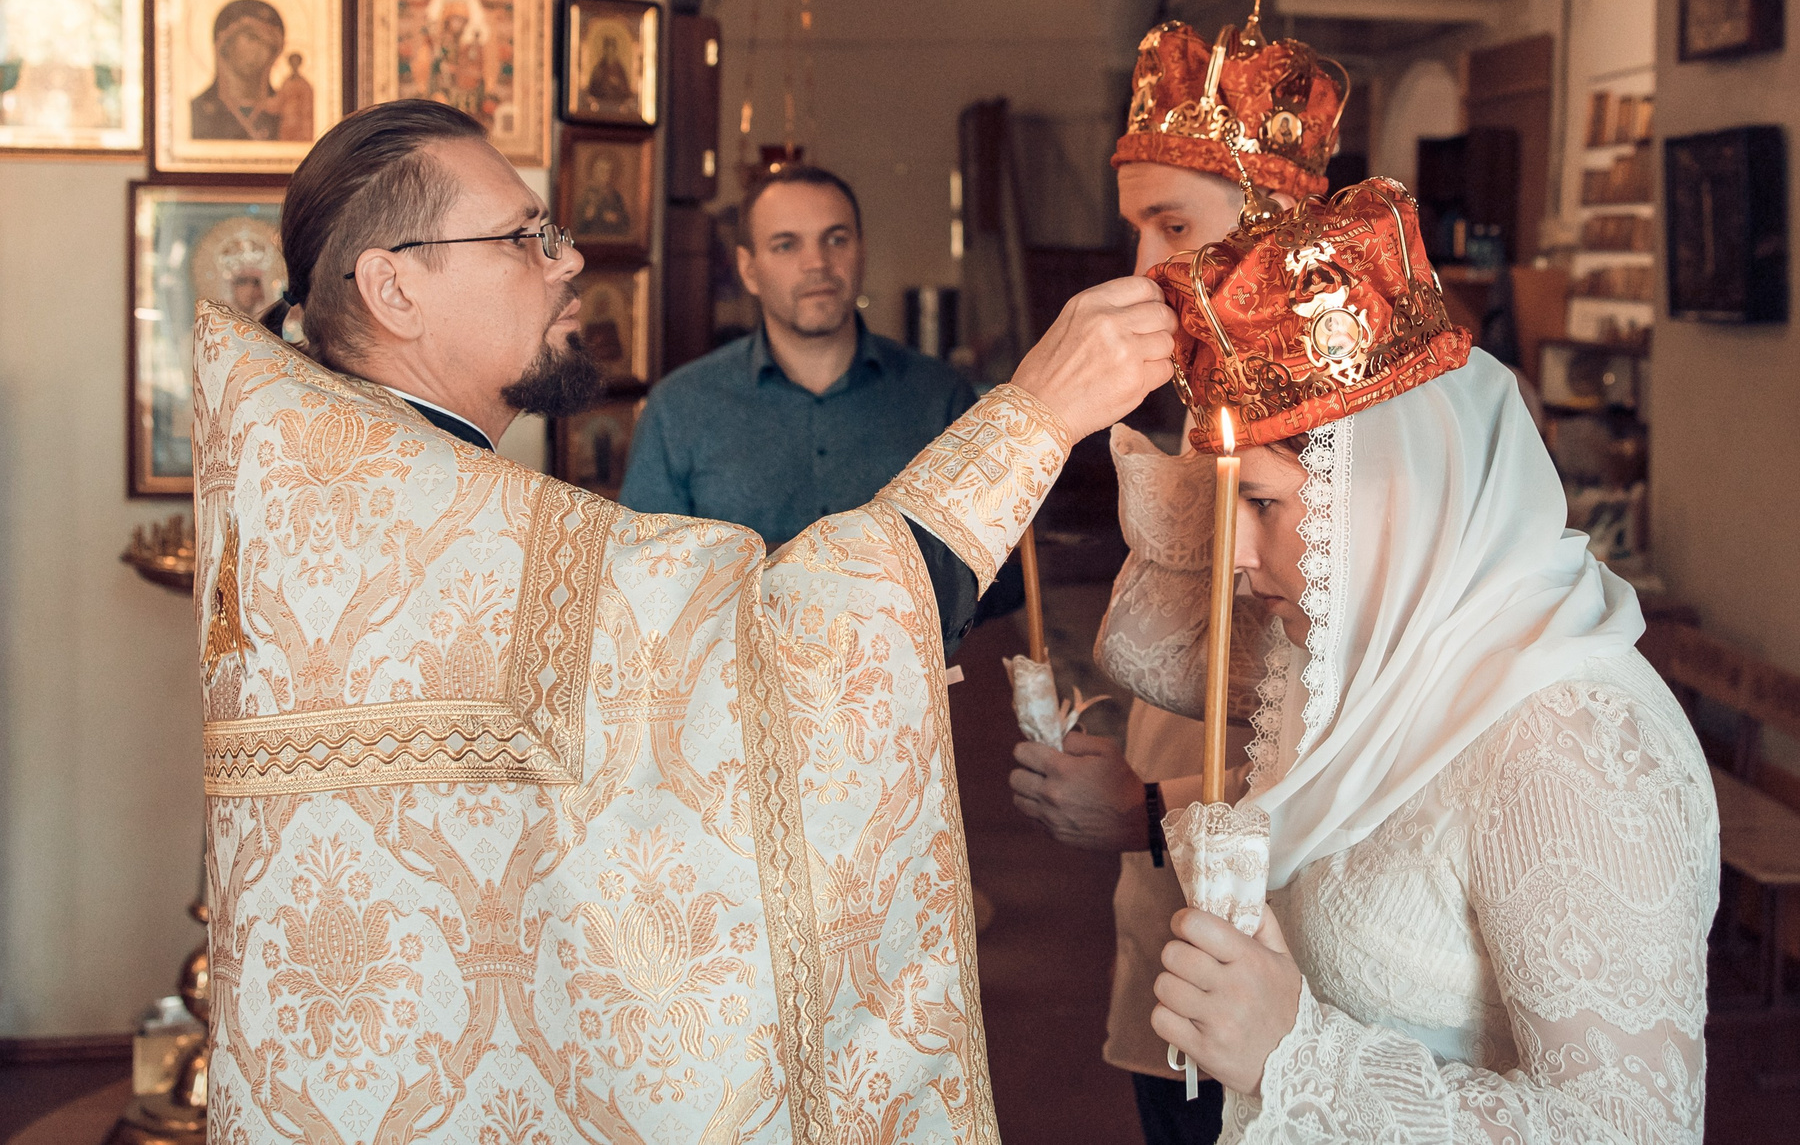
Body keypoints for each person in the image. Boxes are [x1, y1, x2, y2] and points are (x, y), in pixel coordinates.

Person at [196, 99, 1177, 1143]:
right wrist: (1035, 412)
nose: (567, 262)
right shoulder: (417, 518)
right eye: (525, 236)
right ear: (393, 285)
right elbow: (776, 650)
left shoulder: (350, 491)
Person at [1138, 178, 1718, 1143]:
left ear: (1395, 501)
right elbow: (1153, 660)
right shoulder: (1374, 660)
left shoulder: (1569, 743)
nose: (1236, 554)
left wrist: (1295, 1055)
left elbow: (1631, 1133)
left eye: (1266, 506)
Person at [1008, 2, 1343, 1145]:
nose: (1145, 267)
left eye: (1170, 223)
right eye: (1136, 230)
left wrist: (1150, 811)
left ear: (1284, 228)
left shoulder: (1358, 437)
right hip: (1170, 947)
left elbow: (1366, 738)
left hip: (1296, 984)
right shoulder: (1198, 404)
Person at [621, 163, 994, 654]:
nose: (817, 263)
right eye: (786, 245)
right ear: (749, 270)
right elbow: (644, 584)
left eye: (836, 239)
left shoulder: (941, 397)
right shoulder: (679, 408)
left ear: (861, 250)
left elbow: (992, 577)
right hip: (734, 705)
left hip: (910, 700)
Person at [190, 0, 290, 141]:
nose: (258, 50)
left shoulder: (286, 111)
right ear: (224, 41)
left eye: (268, 44)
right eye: (252, 38)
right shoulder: (200, 110)